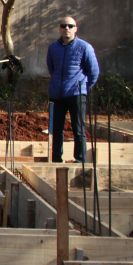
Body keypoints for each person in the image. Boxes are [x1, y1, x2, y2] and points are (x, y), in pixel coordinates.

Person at [46, 16, 99, 163]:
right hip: (57, 94)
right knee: (57, 129)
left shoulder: (85, 47)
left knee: (78, 129)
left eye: (70, 26)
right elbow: (52, 68)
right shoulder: (53, 48)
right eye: (63, 26)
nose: (67, 29)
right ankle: (57, 159)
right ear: (60, 29)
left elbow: (94, 72)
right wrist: (57, 84)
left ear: (76, 29)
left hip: (77, 94)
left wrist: (83, 88)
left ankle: (80, 160)